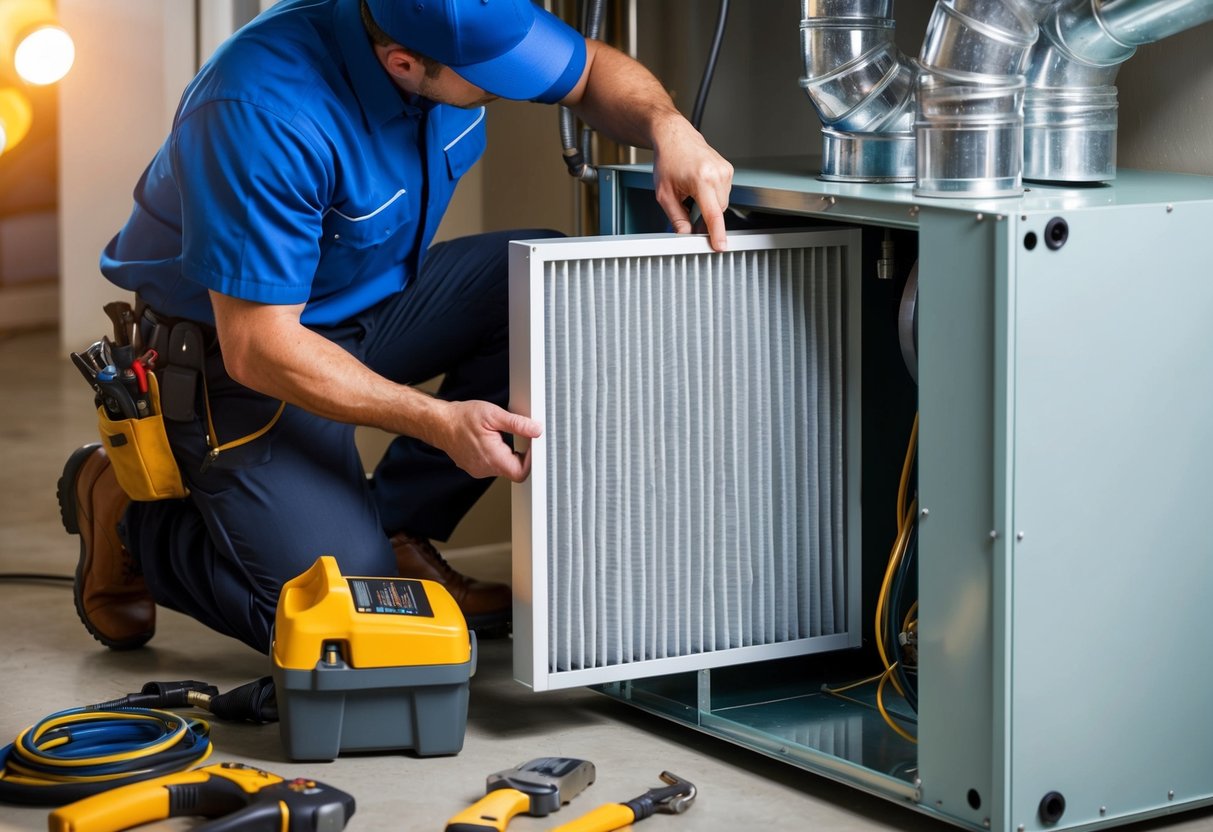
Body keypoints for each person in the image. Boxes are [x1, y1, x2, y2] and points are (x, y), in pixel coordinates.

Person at [58, 0, 733, 654]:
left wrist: (669, 126)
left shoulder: (460, 21)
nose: (520, 83)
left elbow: (587, 70)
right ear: (404, 65)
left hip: (366, 304)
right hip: (232, 355)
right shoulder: (260, 108)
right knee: (342, 632)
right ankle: (133, 522)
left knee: (552, 288)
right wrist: (438, 422)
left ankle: (396, 526)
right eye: (493, 78)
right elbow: (258, 347)